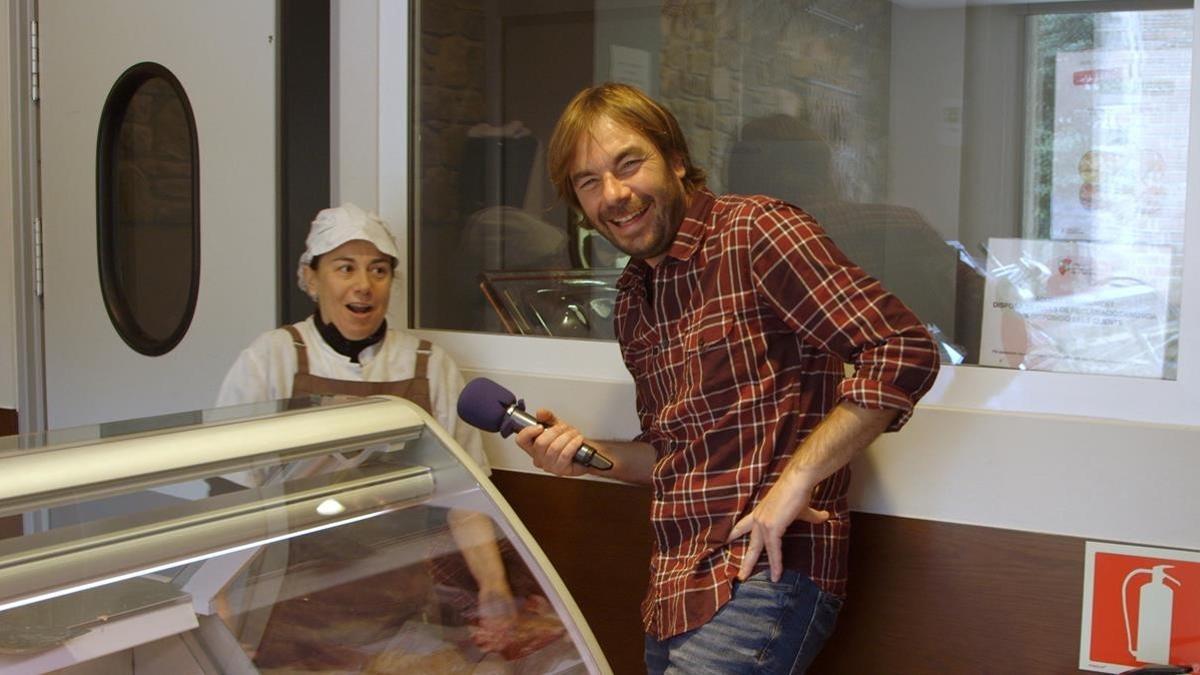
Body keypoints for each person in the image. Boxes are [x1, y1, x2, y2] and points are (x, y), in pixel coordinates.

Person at [513, 83, 941, 673]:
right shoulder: (635, 297)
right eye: (589, 182)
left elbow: (903, 348)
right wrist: (583, 454)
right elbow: (674, 457)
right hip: (673, 588)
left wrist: (796, 480)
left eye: (628, 164)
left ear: (677, 159)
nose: (614, 194)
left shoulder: (755, 233)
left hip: (763, 575)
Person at [215, 203, 522, 660]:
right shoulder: (271, 359)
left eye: (378, 270)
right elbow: (228, 498)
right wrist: (218, 601)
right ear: (312, 278)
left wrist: (494, 588)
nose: (363, 285)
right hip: (285, 614)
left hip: (400, 614)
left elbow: (466, 497)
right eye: (345, 268)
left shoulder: (428, 365)